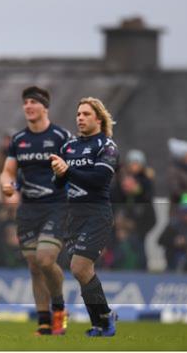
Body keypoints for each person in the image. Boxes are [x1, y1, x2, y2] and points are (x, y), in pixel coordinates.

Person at [0, 86, 71, 335]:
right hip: (28, 210)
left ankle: (60, 309)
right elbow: (8, 171)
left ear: (45, 107)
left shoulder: (61, 136)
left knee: (45, 259)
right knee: (33, 266)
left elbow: (75, 170)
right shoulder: (19, 139)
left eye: (33, 102)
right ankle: (43, 321)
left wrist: (65, 170)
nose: (28, 106)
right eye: (25, 102)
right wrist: (7, 186)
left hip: (56, 207)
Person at [50, 97, 119, 337]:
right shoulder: (69, 147)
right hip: (73, 215)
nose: (80, 117)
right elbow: (59, 183)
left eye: (86, 114)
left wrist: (67, 171)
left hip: (96, 213)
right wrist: (59, 173)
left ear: (98, 118)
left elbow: (99, 179)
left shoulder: (106, 145)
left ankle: (104, 320)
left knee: (79, 267)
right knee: (82, 271)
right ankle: (102, 321)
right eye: (78, 114)